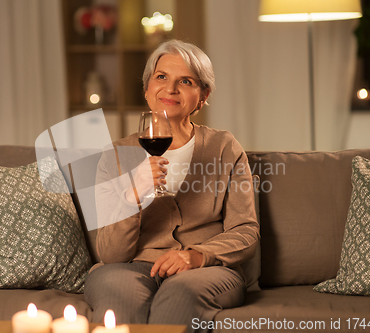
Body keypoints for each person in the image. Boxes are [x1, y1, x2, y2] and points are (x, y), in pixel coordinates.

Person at [84, 39, 259, 333]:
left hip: (204, 270)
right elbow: (111, 255)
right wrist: (133, 196)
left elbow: (246, 231)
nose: (171, 88)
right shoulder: (115, 155)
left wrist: (197, 255)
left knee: (179, 295)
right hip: (130, 268)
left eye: (186, 81)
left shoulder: (223, 147)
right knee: (119, 296)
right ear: (147, 88)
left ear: (202, 96)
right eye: (161, 76)